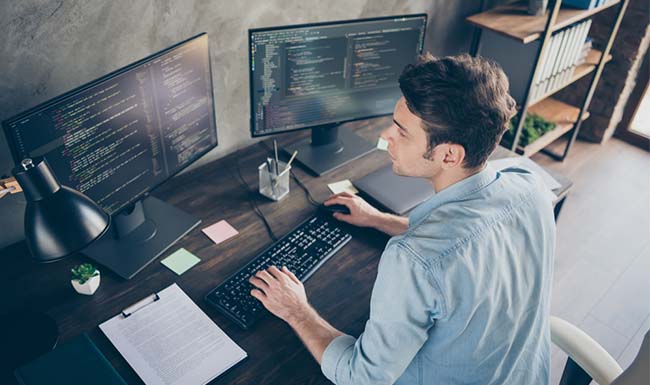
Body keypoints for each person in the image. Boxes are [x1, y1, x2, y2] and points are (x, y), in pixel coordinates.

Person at [248, 54, 556, 385]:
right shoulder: (529, 183)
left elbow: (362, 376)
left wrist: (295, 309)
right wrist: (379, 219)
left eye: (401, 131)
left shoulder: (413, 260)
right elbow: (468, 246)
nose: (386, 135)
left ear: (449, 155)